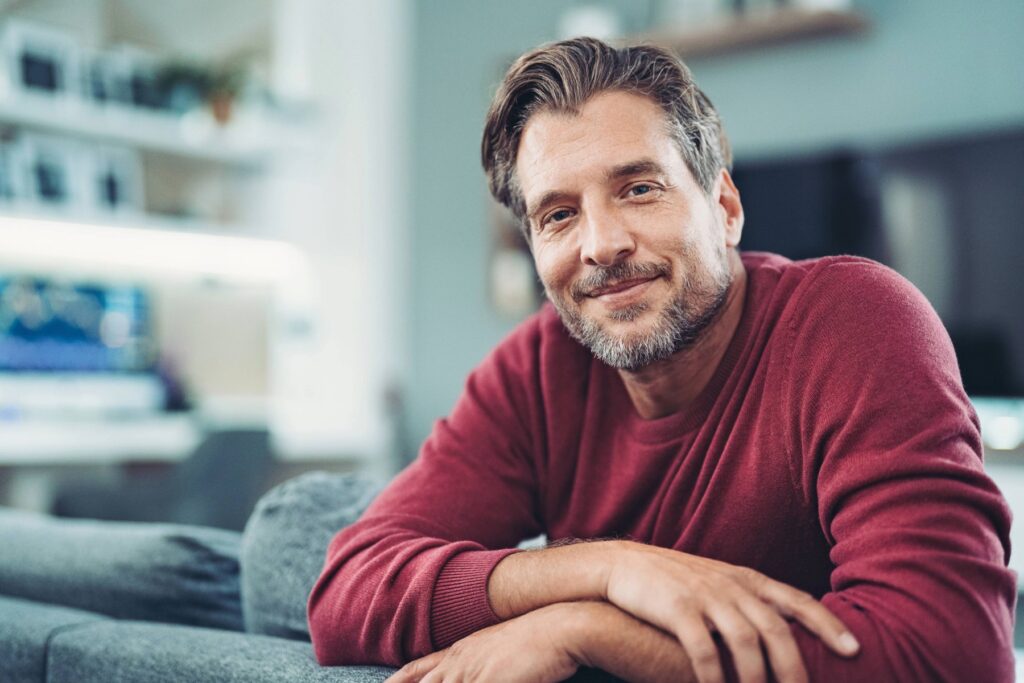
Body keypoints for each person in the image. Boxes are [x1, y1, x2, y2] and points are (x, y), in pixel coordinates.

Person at [308, 37, 1016, 683]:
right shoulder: (537, 364)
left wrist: (588, 625)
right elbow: (342, 595)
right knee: (295, 540)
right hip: (367, 530)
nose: (602, 244)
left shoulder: (856, 320)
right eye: (558, 215)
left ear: (726, 206)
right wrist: (612, 566)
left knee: (281, 544)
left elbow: (953, 655)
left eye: (639, 189)